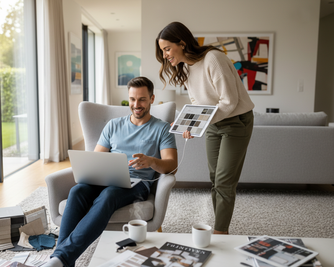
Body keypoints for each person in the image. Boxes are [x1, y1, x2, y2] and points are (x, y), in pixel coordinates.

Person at [45, 76, 178, 267]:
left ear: (152, 99)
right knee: (77, 191)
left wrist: (151, 161)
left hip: (137, 184)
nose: (136, 104)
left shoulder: (162, 129)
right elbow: (96, 159)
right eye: (132, 99)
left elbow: (172, 165)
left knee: (109, 194)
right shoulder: (114, 125)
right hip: (106, 179)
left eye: (142, 99)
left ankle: (60, 258)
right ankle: (61, 260)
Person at [156, 21, 255, 235]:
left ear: (182, 43)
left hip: (236, 121)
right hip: (214, 123)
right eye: (162, 51)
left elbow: (229, 101)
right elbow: (198, 104)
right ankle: (221, 224)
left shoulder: (213, 59)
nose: (165, 55)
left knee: (224, 180)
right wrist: (187, 123)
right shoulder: (187, 67)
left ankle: (221, 231)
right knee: (214, 178)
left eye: (167, 49)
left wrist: (199, 122)